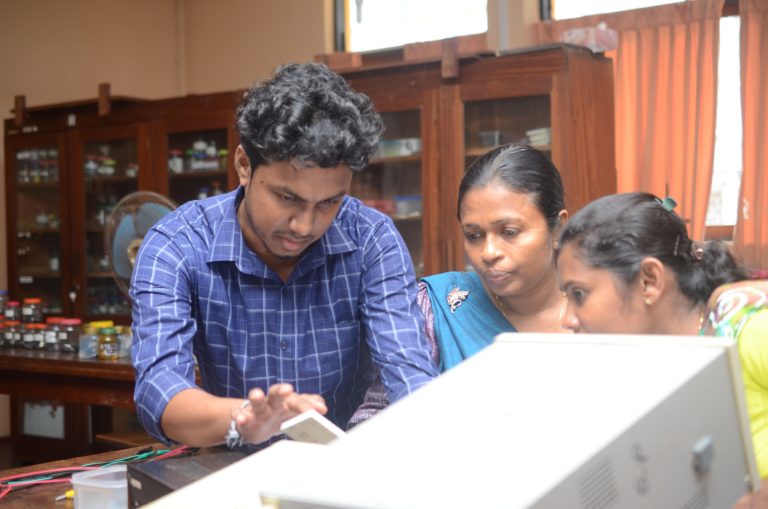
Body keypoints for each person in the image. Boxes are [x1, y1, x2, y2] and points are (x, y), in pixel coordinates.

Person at [130, 62, 438, 450]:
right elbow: (158, 390)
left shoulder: (372, 239)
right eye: (287, 198)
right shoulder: (176, 244)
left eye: (328, 202)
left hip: (341, 464)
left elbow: (409, 372)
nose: (305, 226)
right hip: (229, 461)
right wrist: (244, 419)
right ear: (244, 165)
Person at [555, 191, 768, 507]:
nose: (567, 319)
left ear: (649, 281)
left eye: (579, 294)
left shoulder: (749, 328)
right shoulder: (645, 366)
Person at [351, 144, 570, 422]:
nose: (489, 252)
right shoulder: (435, 308)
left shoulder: (599, 312)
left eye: (509, 232)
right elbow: (375, 420)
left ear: (558, 227)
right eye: (474, 235)